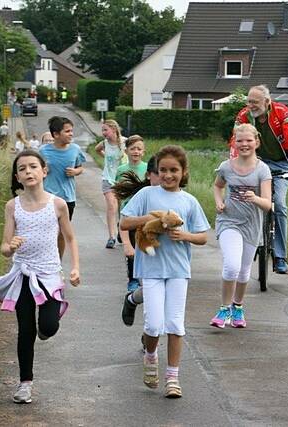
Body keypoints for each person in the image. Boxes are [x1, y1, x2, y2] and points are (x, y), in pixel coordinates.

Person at [120, 145, 210, 399]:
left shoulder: (189, 201)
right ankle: (150, 356)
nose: (168, 175)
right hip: (150, 268)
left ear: (183, 172)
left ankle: (173, 377)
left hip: (178, 270)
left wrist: (186, 235)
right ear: (156, 172)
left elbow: (203, 236)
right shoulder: (147, 194)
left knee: (174, 323)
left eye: (174, 170)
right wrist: (151, 220)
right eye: (163, 170)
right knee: (153, 324)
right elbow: (124, 222)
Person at [0, 150, 81, 404]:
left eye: (33, 166)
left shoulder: (58, 204)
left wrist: (75, 267)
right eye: (22, 169)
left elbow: (70, 237)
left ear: (44, 171)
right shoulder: (12, 206)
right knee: (25, 330)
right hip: (22, 274)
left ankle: (45, 329)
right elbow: (4, 246)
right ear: (17, 177)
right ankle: (25, 384)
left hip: (49, 274)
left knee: (49, 327)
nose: (28, 171)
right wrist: (11, 246)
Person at [229, 85, 288, 274]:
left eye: (255, 102)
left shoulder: (282, 112)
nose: (251, 105)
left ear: (267, 102)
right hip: (257, 163)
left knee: (278, 205)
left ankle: (280, 256)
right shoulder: (244, 116)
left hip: (281, 164)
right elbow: (234, 140)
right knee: (247, 201)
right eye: (249, 101)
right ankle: (247, 243)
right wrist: (233, 163)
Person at [210, 124, 272, 329]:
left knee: (244, 271)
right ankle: (224, 308)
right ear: (234, 142)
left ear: (257, 142)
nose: (244, 144)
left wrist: (254, 198)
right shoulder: (226, 166)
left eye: (248, 140)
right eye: (240, 141)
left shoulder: (262, 170)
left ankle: (238, 306)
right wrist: (218, 201)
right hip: (229, 221)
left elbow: (268, 204)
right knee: (231, 266)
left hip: (251, 225)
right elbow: (218, 186)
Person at [39, 116, 86, 258]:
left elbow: (80, 167)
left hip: (67, 198)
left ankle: (57, 264)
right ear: (56, 135)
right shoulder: (43, 151)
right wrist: (43, 171)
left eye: (71, 131)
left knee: (61, 233)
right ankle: (44, 259)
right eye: (67, 131)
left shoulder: (75, 149)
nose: (71, 134)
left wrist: (75, 171)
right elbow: (37, 170)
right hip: (48, 197)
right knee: (47, 232)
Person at [114, 135, 147, 291]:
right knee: (131, 248)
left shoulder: (147, 169)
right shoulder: (121, 170)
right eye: (132, 148)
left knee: (145, 245)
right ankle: (132, 279)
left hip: (144, 213)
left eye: (139, 149)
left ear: (143, 151)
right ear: (126, 151)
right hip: (128, 213)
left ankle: (146, 276)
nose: (136, 152)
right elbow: (118, 191)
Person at [94, 120, 127, 248]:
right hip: (108, 178)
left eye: (105, 130)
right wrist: (106, 159)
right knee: (112, 206)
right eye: (102, 130)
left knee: (123, 208)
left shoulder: (125, 142)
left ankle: (121, 229)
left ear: (113, 129)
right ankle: (111, 237)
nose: (103, 133)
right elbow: (97, 150)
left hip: (123, 179)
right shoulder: (104, 144)